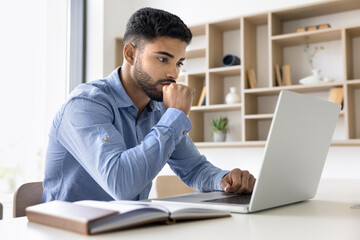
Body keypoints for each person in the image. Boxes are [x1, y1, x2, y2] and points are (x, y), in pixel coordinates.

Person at [42, 7, 256, 202]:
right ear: (130, 54)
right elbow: (121, 185)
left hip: (128, 225)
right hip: (70, 231)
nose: (174, 73)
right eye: (163, 59)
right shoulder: (85, 104)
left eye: (179, 62)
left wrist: (225, 179)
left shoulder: (161, 108)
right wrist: (175, 115)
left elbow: (193, 169)